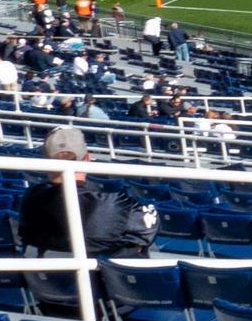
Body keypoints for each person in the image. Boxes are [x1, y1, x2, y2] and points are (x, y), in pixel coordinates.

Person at [17, 128, 155, 300]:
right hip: (108, 300)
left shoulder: (30, 197)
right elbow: (147, 232)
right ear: (87, 158)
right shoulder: (113, 203)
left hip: (45, 294)